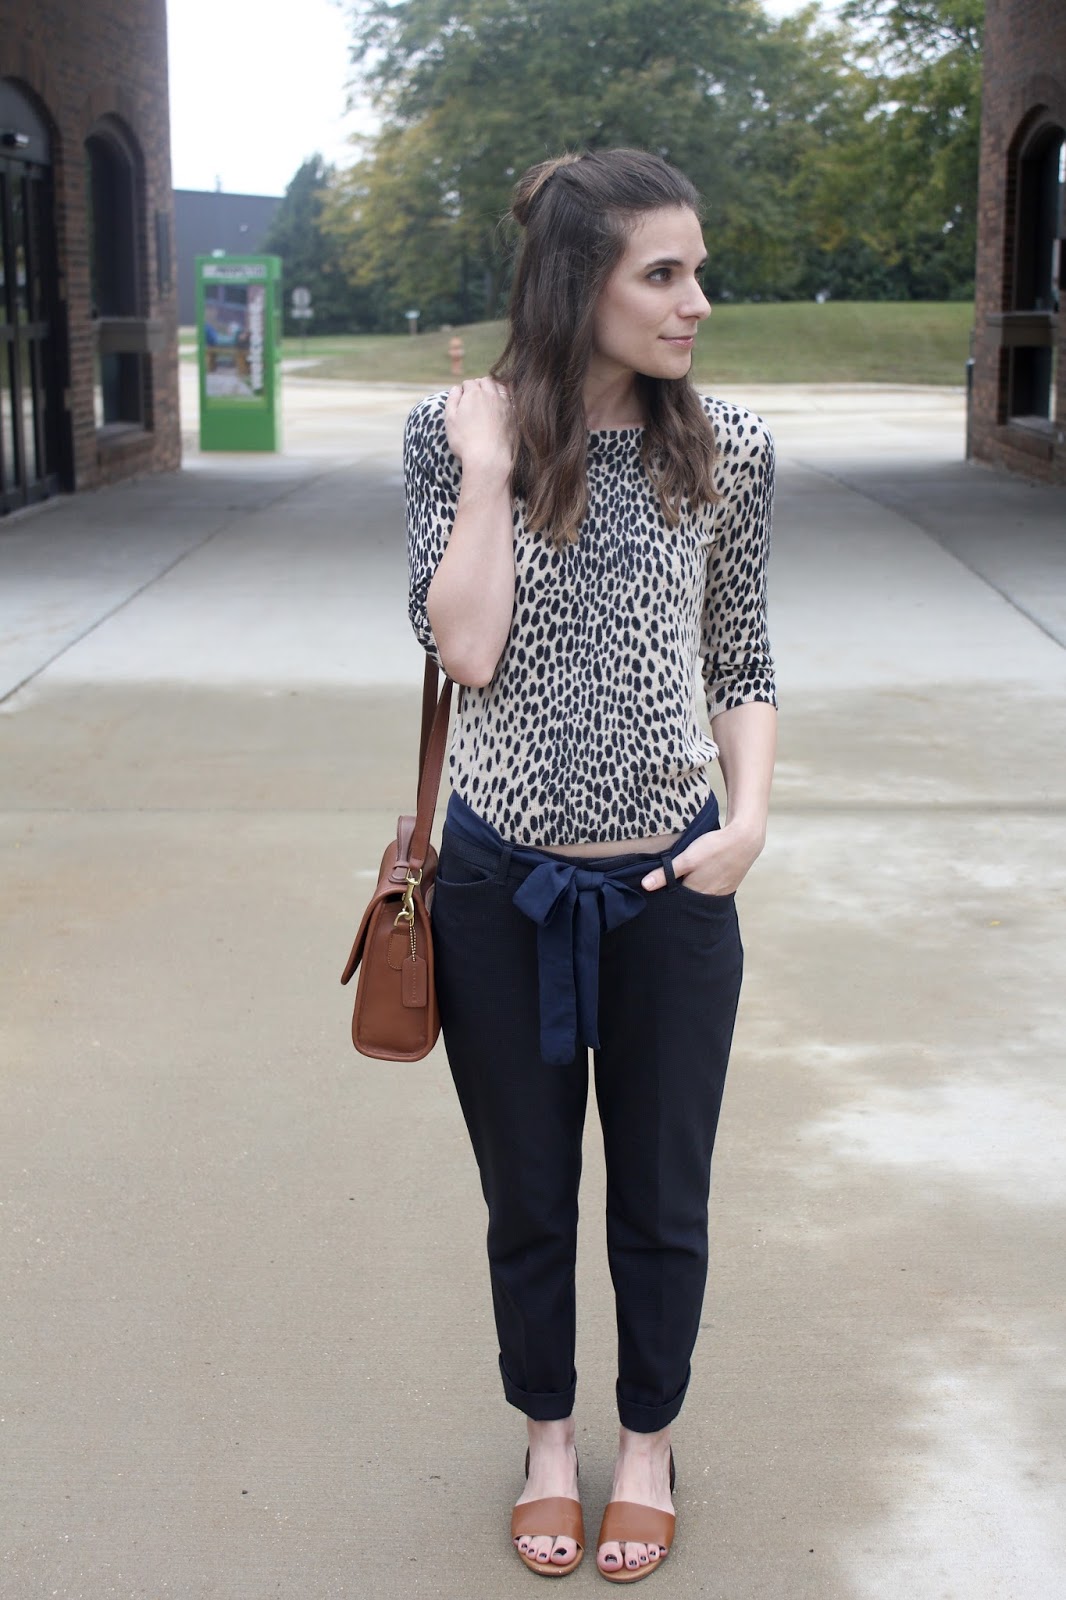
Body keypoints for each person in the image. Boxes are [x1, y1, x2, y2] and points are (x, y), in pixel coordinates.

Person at [404, 148, 777, 1583]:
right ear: (577, 284)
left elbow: (739, 654)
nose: (696, 302)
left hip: (675, 893)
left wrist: (747, 822)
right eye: (662, 274)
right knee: (528, 1198)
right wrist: (491, 470)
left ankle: (649, 1448)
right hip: (500, 892)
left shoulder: (726, 448)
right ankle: (549, 1445)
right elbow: (465, 648)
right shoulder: (453, 437)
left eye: (697, 272)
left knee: (662, 1200)